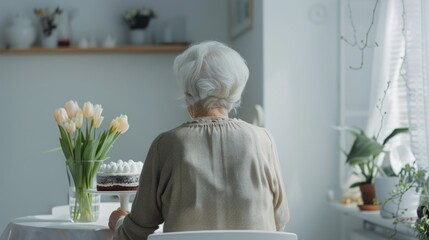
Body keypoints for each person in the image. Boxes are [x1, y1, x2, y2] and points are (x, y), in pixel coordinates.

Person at [109, 40, 289, 240]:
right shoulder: (263, 141)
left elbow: (135, 234)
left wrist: (118, 222)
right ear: (235, 90)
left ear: (187, 93)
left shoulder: (167, 145)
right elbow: (279, 220)